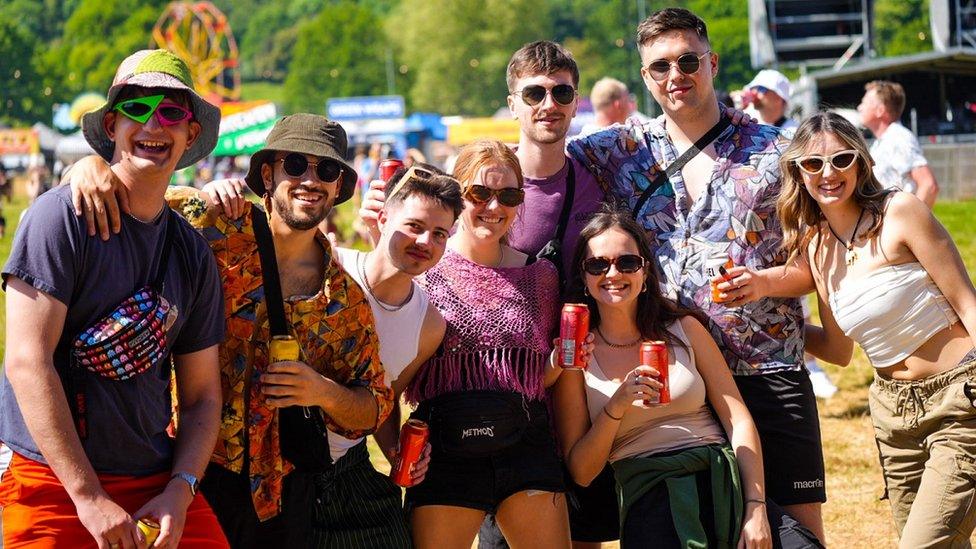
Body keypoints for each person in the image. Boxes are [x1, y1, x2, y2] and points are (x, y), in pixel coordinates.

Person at [65, 114, 396, 548]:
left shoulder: (345, 300)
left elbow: (375, 407)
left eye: (327, 170)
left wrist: (321, 392)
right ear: (266, 174)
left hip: (279, 494)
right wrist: (89, 167)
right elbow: (121, 185)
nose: (310, 180)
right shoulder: (213, 223)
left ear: (338, 188)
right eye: (295, 165)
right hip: (182, 469)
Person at [568, 8, 827, 542]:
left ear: (712, 63)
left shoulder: (777, 150)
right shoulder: (620, 149)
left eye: (687, 61)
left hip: (764, 368)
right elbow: (534, 165)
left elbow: (817, 266)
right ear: (645, 78)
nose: (675, 75)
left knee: (795, 532)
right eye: (659, 67)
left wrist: (764, 283)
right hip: (671, 374)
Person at [0, 49, 228, 548]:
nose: (154, 124)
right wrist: (87, 496)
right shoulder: (60, 218)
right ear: (112, 124)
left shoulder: (192, 252)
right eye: (138, 109)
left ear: (191, 134)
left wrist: (181, 490)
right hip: (51, 479)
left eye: (172, 113)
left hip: (153, 479)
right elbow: (25, 362)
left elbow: (202, 398)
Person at [557, 205, 828, 548]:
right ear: (583, 276)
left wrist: (756, 506)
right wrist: (618, 405)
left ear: (644, 273)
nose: (613, 274)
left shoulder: (683, 328)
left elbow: (738, 420)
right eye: (598, 264)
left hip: (719, 477)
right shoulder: (577, 356)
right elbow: (581, 471)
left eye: (627, 262)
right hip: (651, 493)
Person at [768, 111, 976, 547]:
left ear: (861, 162)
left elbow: (967, 303)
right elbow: (840, 351)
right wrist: (773, 325)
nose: (829, 173)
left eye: (842, 159)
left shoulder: (899, 211)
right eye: (813, 164)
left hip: (960, 399)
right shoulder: (818, 248)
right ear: (798, 173)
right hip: (893, 416)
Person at [403, 139, 572, 548]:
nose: (494, 208)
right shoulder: (424, 272)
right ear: (458, 194)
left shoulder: (541, 277)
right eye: (480, 193)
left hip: (525, 443)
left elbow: (538, 378)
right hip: (445, 447)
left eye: (509, 196)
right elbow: (392, 373)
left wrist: (562, 358)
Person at [857, 80, 939, 208]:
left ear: (880, 110)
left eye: (865, 102)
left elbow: (929, 185)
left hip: (898, 224)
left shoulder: (899, 139)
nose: (859, 107)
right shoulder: (883, 141)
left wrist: (910, 223)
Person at [735, 69, 798, 134]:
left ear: (779, 98)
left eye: (761, 89)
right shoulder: (745, 119)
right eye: (753, 88)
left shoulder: (793, 132)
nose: (754, 92)